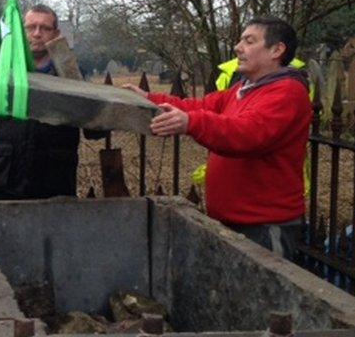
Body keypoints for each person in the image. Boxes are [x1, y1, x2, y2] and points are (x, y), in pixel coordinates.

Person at [125, 16, 311, 257]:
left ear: (277, 50)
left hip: (265, 227)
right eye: (240, 40)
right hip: (234, 221)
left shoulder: (287, 92)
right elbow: (200, 105)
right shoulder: (243, 89)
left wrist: (190, 123)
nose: (238, 47)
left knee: (257, 294)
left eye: (249, 41)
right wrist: (148, 99)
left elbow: (246, 134)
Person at [0, 4, 104, 200]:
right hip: (8, 177)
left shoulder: (70, 72)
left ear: (55, 33)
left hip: (55, 179)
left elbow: (95, 128)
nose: (37, 33)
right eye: (30, 27)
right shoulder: (0, 69)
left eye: (45, 28)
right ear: (20, 31)